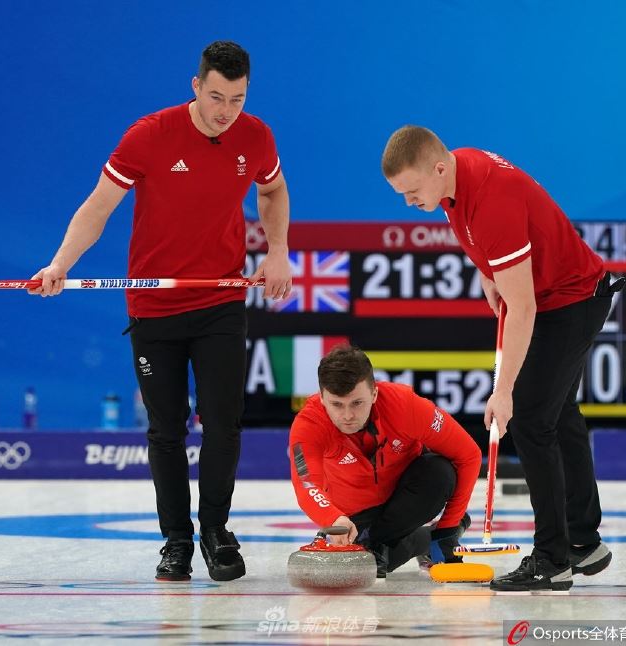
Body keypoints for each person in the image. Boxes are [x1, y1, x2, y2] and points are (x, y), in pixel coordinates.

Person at [29, 41, 292, 582]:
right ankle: (176, 541)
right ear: (195, 86)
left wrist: (278, 250)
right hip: (154, 307)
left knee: (223, 423)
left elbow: (272, 190)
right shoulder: (148, 136)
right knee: (166, 429)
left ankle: (216, 531)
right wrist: (59, 264)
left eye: (237, 99)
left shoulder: (256, 136)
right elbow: (99, 206)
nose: (226, 111)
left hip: (219, 299)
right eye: (216, 97)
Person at [381, 126, 621, 591]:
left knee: (531, 420)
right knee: (558, 414)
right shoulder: (455, 173)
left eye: (411, 191)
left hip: (570, 300)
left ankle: (552, 560)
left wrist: (503, 391)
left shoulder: (491, 201)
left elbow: (523, 308)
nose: (408, 202)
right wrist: (489, 271)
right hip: (559, 295)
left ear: (439, 168)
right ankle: (583, 541)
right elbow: (482, 236)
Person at [289, 346, 482, 577]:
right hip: (354, 516)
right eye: (337, 404)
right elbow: (307, 485)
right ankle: (418, 541)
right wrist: (333, 518)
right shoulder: (309, 424)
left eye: (357, 403)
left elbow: (468, 455)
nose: (347, 416)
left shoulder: (405, 405)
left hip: (408, 498)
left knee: (439, 472)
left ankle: (389, 540)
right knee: (375, 564)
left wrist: (448, 529)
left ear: (374, 393)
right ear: (322, 398)